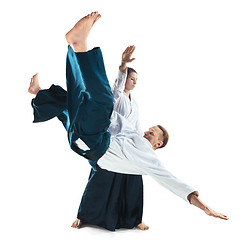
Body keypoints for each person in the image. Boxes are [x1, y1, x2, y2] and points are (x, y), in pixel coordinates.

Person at [29, 11, 228, 221]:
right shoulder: (132, 133)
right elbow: (115, 111)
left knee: (100, 101)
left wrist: (205, 207)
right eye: (150, 129)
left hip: (95, 144)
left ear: (158, 144)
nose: (147, 131)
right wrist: (122, 68)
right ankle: (38, 93)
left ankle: (79, 45)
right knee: (78, 100)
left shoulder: (149, 159)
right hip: (88, 138)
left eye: (152, 134)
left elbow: (172, 181)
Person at [29, 47, 149, 231]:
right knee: (99, 178)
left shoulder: (135, 104)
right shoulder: (116, 95)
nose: (134, 82)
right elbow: (117, 85)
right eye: (131, 79)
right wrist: (123, 64)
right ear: (124, 79)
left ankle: (135, 219)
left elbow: (136, 127)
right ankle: (83, 216)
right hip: (106, 144)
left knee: (134, 179)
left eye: (136, 80)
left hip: (127, 147)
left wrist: (142, 146)